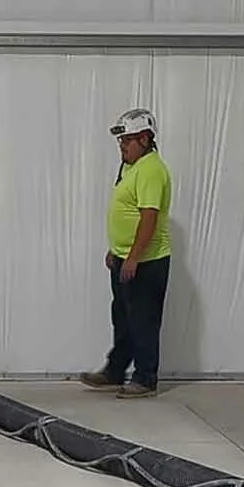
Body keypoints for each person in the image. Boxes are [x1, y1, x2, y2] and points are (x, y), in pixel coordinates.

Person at [77, 108, 174, 399]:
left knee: (143, 320)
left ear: (145, 139)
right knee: (122, 317)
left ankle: (145, 379)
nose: (122, 146)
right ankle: (115, 370)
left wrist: (132, 257)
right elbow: (127, 213)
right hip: (125, 258)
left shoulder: (151, 170)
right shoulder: (131, 168)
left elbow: (148, 217)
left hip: (147, 262)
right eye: (121, 141)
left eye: (127, 141)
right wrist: (117, 251)